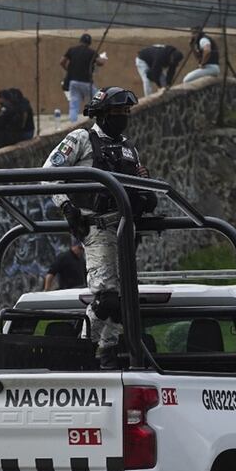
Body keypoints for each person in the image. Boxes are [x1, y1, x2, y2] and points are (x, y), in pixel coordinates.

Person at [43, 86, 156, 368]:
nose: (123, 117)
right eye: (118, 112)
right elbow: (48, 173)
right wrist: (66, 206)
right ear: (102, 114)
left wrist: (145, 184)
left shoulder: (130, 148)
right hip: (96, 226)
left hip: (125, 229)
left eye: (127, 112)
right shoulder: (80, 138)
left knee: (125, 300)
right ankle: (83, 348)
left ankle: (107, 352)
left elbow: (140, 184)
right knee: (106, 298)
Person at [61, 33, 105, 124]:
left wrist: (68, 70)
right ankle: (99, 118)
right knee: (98, 98)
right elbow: (100, 63)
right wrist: (103, 58)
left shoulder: (72, 50)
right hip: (86, 82)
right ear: (89, 43)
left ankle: (72, 124)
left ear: (80, 41)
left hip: (73, 82)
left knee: (74, 104)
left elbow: (62, 61)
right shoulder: (91, 52)